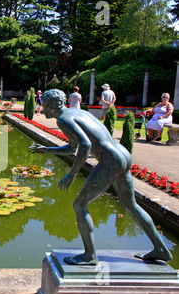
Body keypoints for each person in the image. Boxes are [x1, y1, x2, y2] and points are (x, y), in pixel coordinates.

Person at [30, 89, 172, 265]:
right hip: (123, 155)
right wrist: (46, 149)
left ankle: (90, 255)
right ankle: (160, 249)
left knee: (79, 205)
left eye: (43, 104)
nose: (42, 108)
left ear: (51, 105)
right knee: (131, 205)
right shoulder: (75, 112)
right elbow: (72, 148)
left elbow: (85, 145)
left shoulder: (63, 119)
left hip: (110, 160)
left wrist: (71, 174)